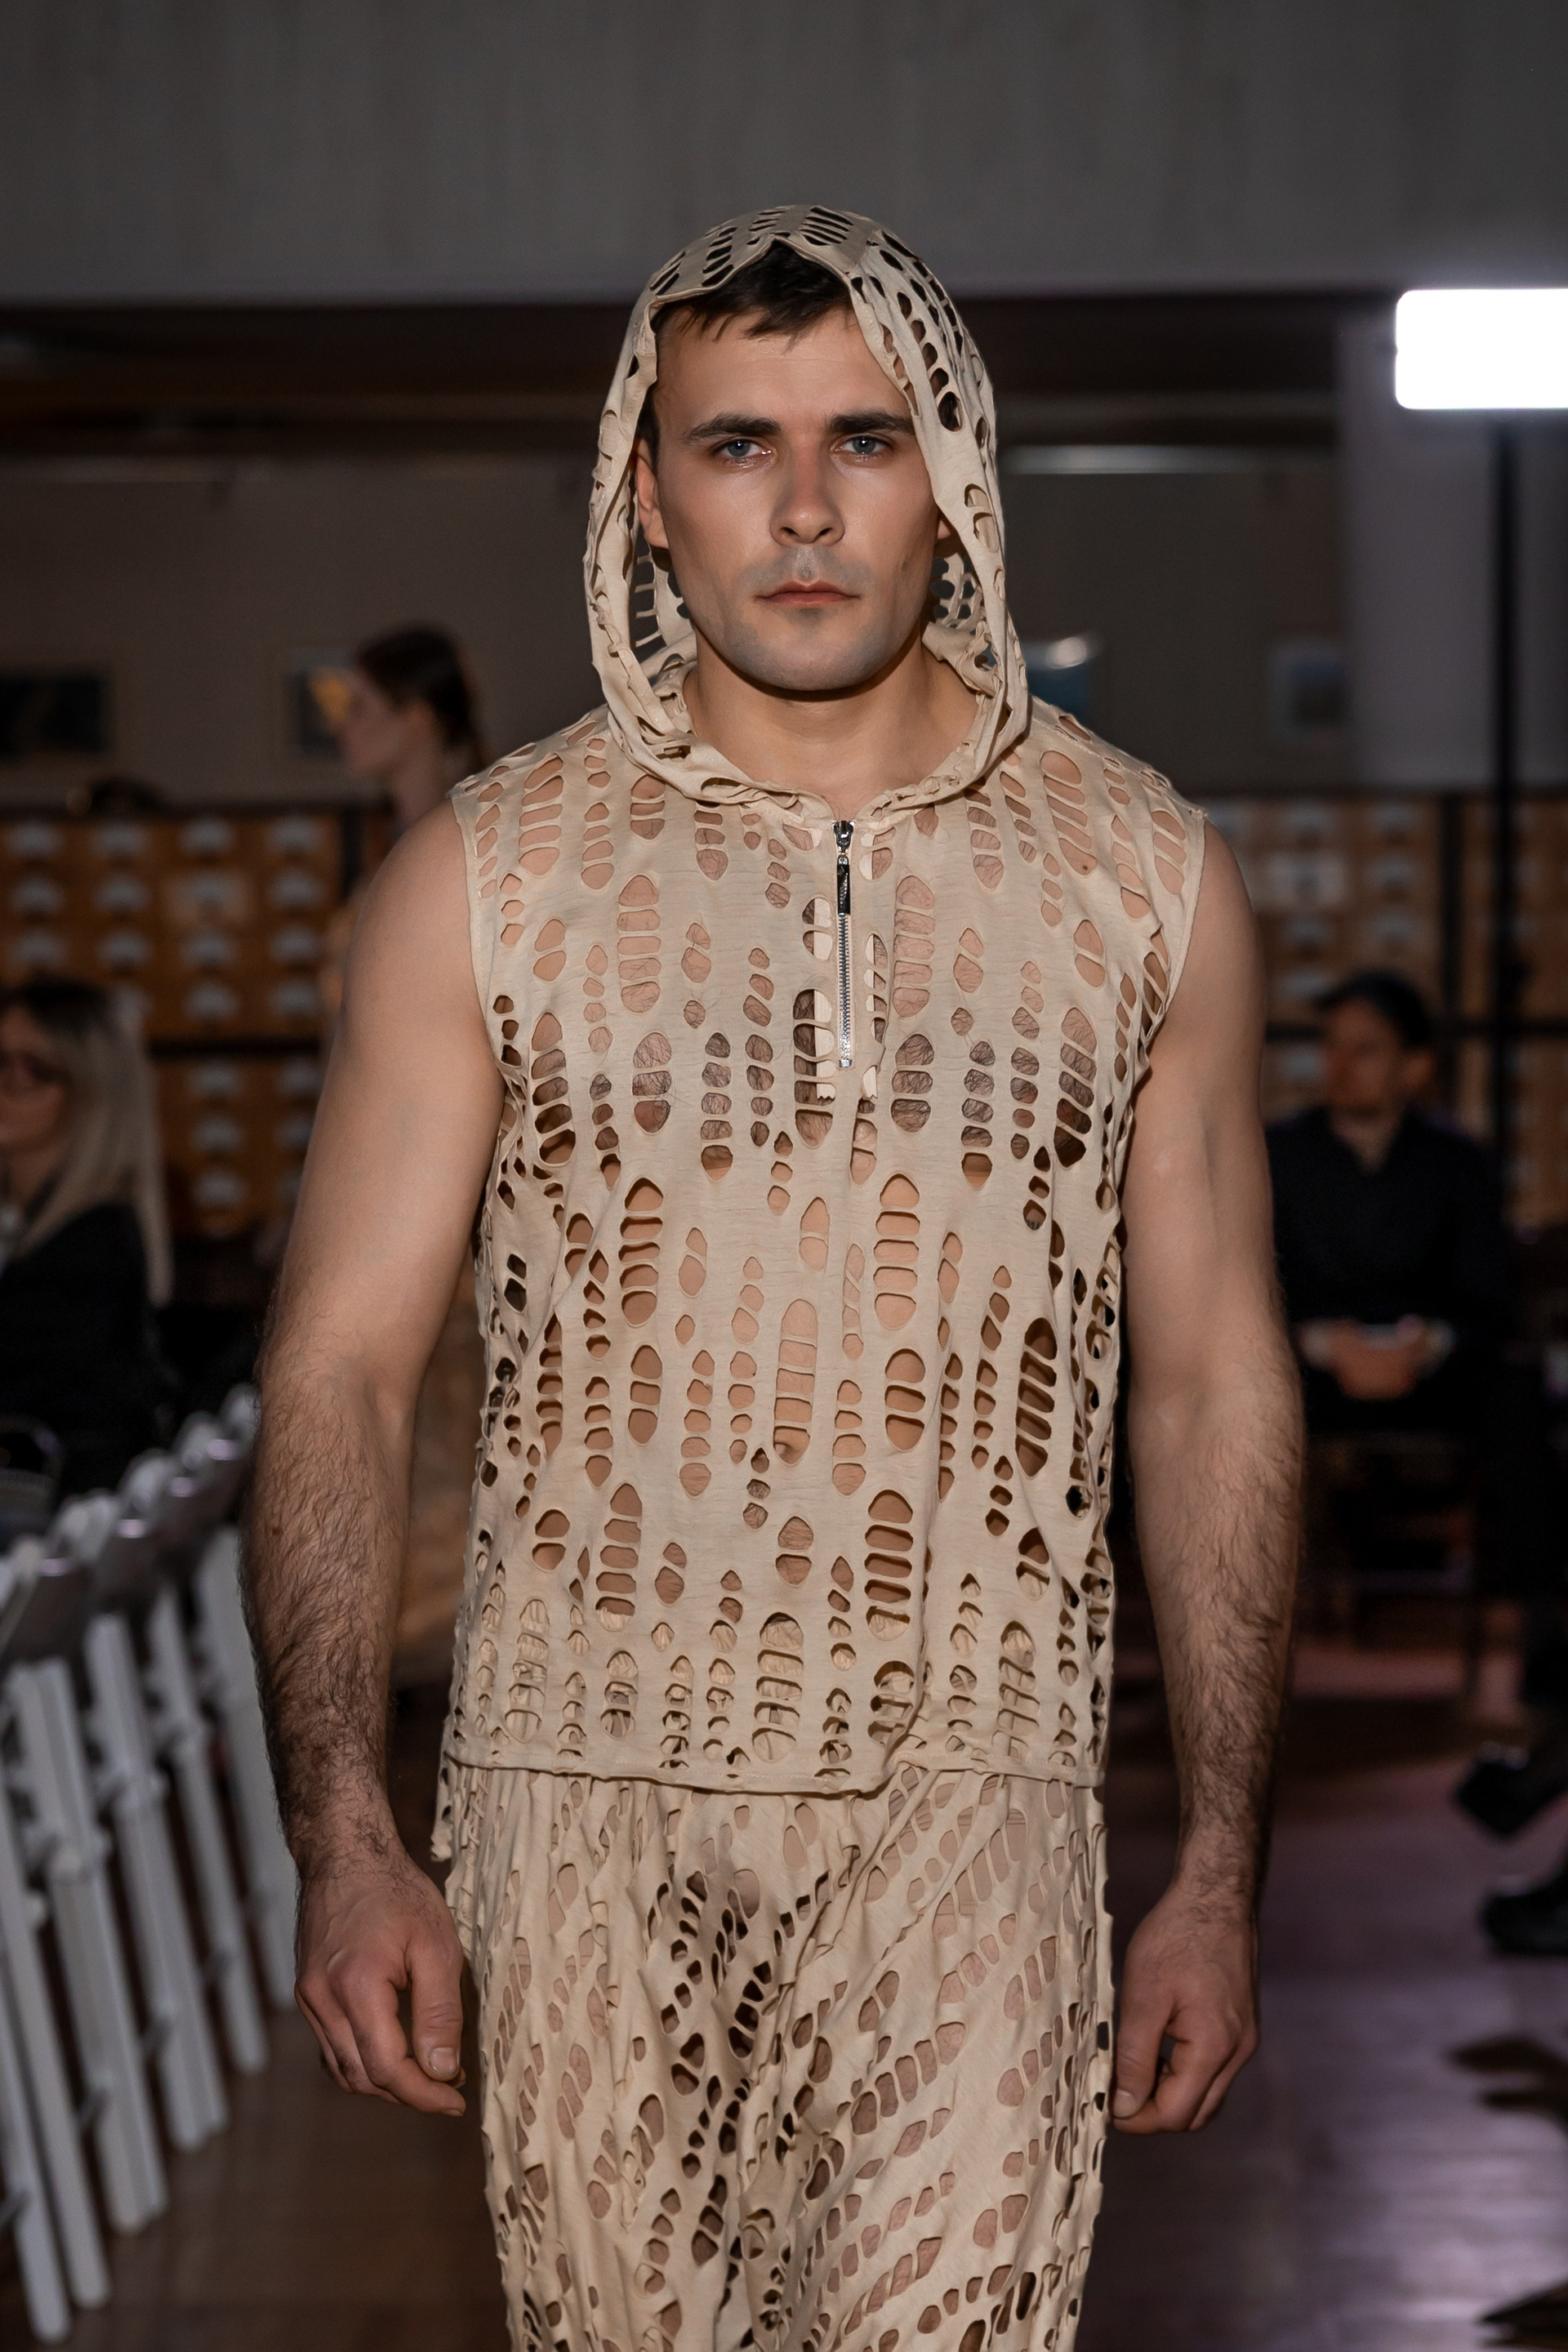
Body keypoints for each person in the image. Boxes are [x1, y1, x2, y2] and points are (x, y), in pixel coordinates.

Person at [247, 209, 1301, 2351]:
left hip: (980, 1805)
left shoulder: (1145, 882)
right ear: (648, 490)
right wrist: (344, 1831)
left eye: (867, 441)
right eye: (739, 444)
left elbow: (1215, 1387)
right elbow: (338, 1369)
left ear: (955, 475)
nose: (806, 509)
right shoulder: (484, 883)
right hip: (578, 1805)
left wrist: (1217, 1867)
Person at [322, 625, 491, 1678]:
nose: (346, 729)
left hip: (452, 1203)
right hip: (371, 1179)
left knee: (455, 1439)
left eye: (365, 708)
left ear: (420, 719)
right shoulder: (384, 845)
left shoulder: (467, 841)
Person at [1267, 969, 1509, 1432]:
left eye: (1365, 1050)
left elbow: (1488, 1297)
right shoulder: (1278, 1154)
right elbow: (1255, 1282)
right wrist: (1326, 1343)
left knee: (1512, 1394)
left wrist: (1425, 1344)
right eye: (1332, 1046)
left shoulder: (1458, 1162)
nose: (1341, 1066)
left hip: (1431, 1375)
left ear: (1416, 1067)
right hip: (1309, 1370)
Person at [0, 978, 175, 1494]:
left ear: (91, 1091)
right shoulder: (36, 1223)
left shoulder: (92, 1245)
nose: (4, 1086)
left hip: (54, 1512)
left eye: (31, 1071)